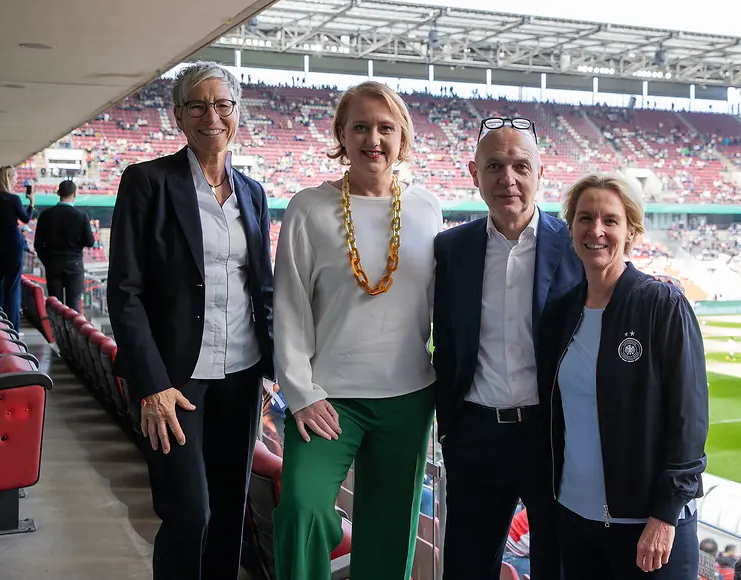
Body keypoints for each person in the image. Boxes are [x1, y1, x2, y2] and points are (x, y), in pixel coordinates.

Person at [107, 61, 275, 580]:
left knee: (228, 512)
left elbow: (262, 290)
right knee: (188, 513)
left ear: (237, 115)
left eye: (222, 105)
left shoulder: (253, 193)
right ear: (179, 116)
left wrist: (272, 366)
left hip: (243, 375)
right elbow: (125, 293)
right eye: (198, 105)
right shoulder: (147, 183)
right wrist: (150, 386)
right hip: (177, 381)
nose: (212, 116)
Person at [272, 81, 441, 580]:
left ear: (402, 139)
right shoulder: (308, 207)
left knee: (389, 535)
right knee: (302, 509)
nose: (373, 139)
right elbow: (289, 306)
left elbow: (440, 307)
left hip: (407, 397)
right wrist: (300, 392)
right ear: (340, 136)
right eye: (360, 127)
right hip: (327, 400)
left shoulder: (426, 208)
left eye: (386, 128)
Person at [538, 174, 709, 579]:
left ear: (630, 230)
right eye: (584, 218)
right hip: (576, 519)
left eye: (610, 220)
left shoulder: (661, 305)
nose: (596, 230)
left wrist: (665, 516)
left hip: (648, 528)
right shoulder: (560, 312)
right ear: (571, 226)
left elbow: (689, 420)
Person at [433, 117, 582, 579]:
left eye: (521, 165)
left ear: (541, 173)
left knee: (554, 568)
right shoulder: (450, 249)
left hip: (551, 437)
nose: (508, 179)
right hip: (474, 435)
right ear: (473, 172)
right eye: (494, 165)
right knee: (465, 567)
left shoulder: (576, 246)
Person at [0, 166, 36, 330]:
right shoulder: (14, 199)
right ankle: (12, 329)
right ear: (8, 178)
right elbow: (26, 218)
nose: (16, 180)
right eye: (14, 177)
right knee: (12, 288)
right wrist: (31, 203)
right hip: (13, 245)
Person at [33, 180, 95, 310]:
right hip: (74, 263)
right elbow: (90, 242)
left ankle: (56, 330)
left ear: (58, 193)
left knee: (56, 305)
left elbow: (38, 244)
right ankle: (71, 331)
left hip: (53, 264)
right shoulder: (81, 216)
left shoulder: (46, 215)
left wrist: (48, 261)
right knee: (73, 304)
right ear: (74, 194)